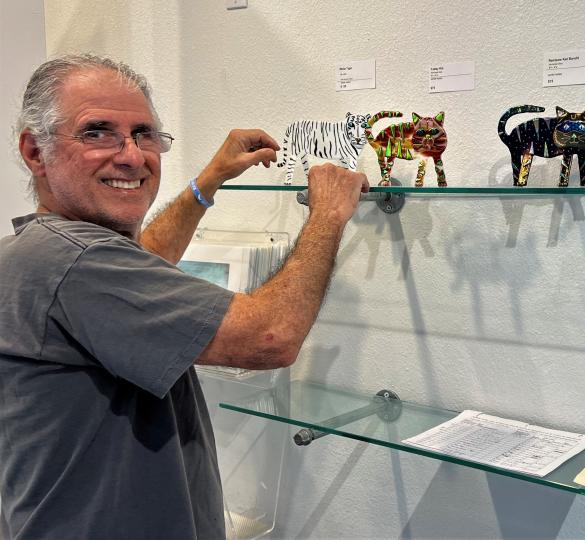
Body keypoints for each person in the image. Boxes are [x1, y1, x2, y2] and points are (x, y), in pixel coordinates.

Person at [0, 54, 368, 539]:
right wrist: (328, 213)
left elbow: (142, 267)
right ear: (34, 151)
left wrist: (207, 181)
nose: (132, 155)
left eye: (144, 134)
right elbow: (270, 336)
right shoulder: (78, 261)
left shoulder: (41, 251)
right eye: (97, 132)